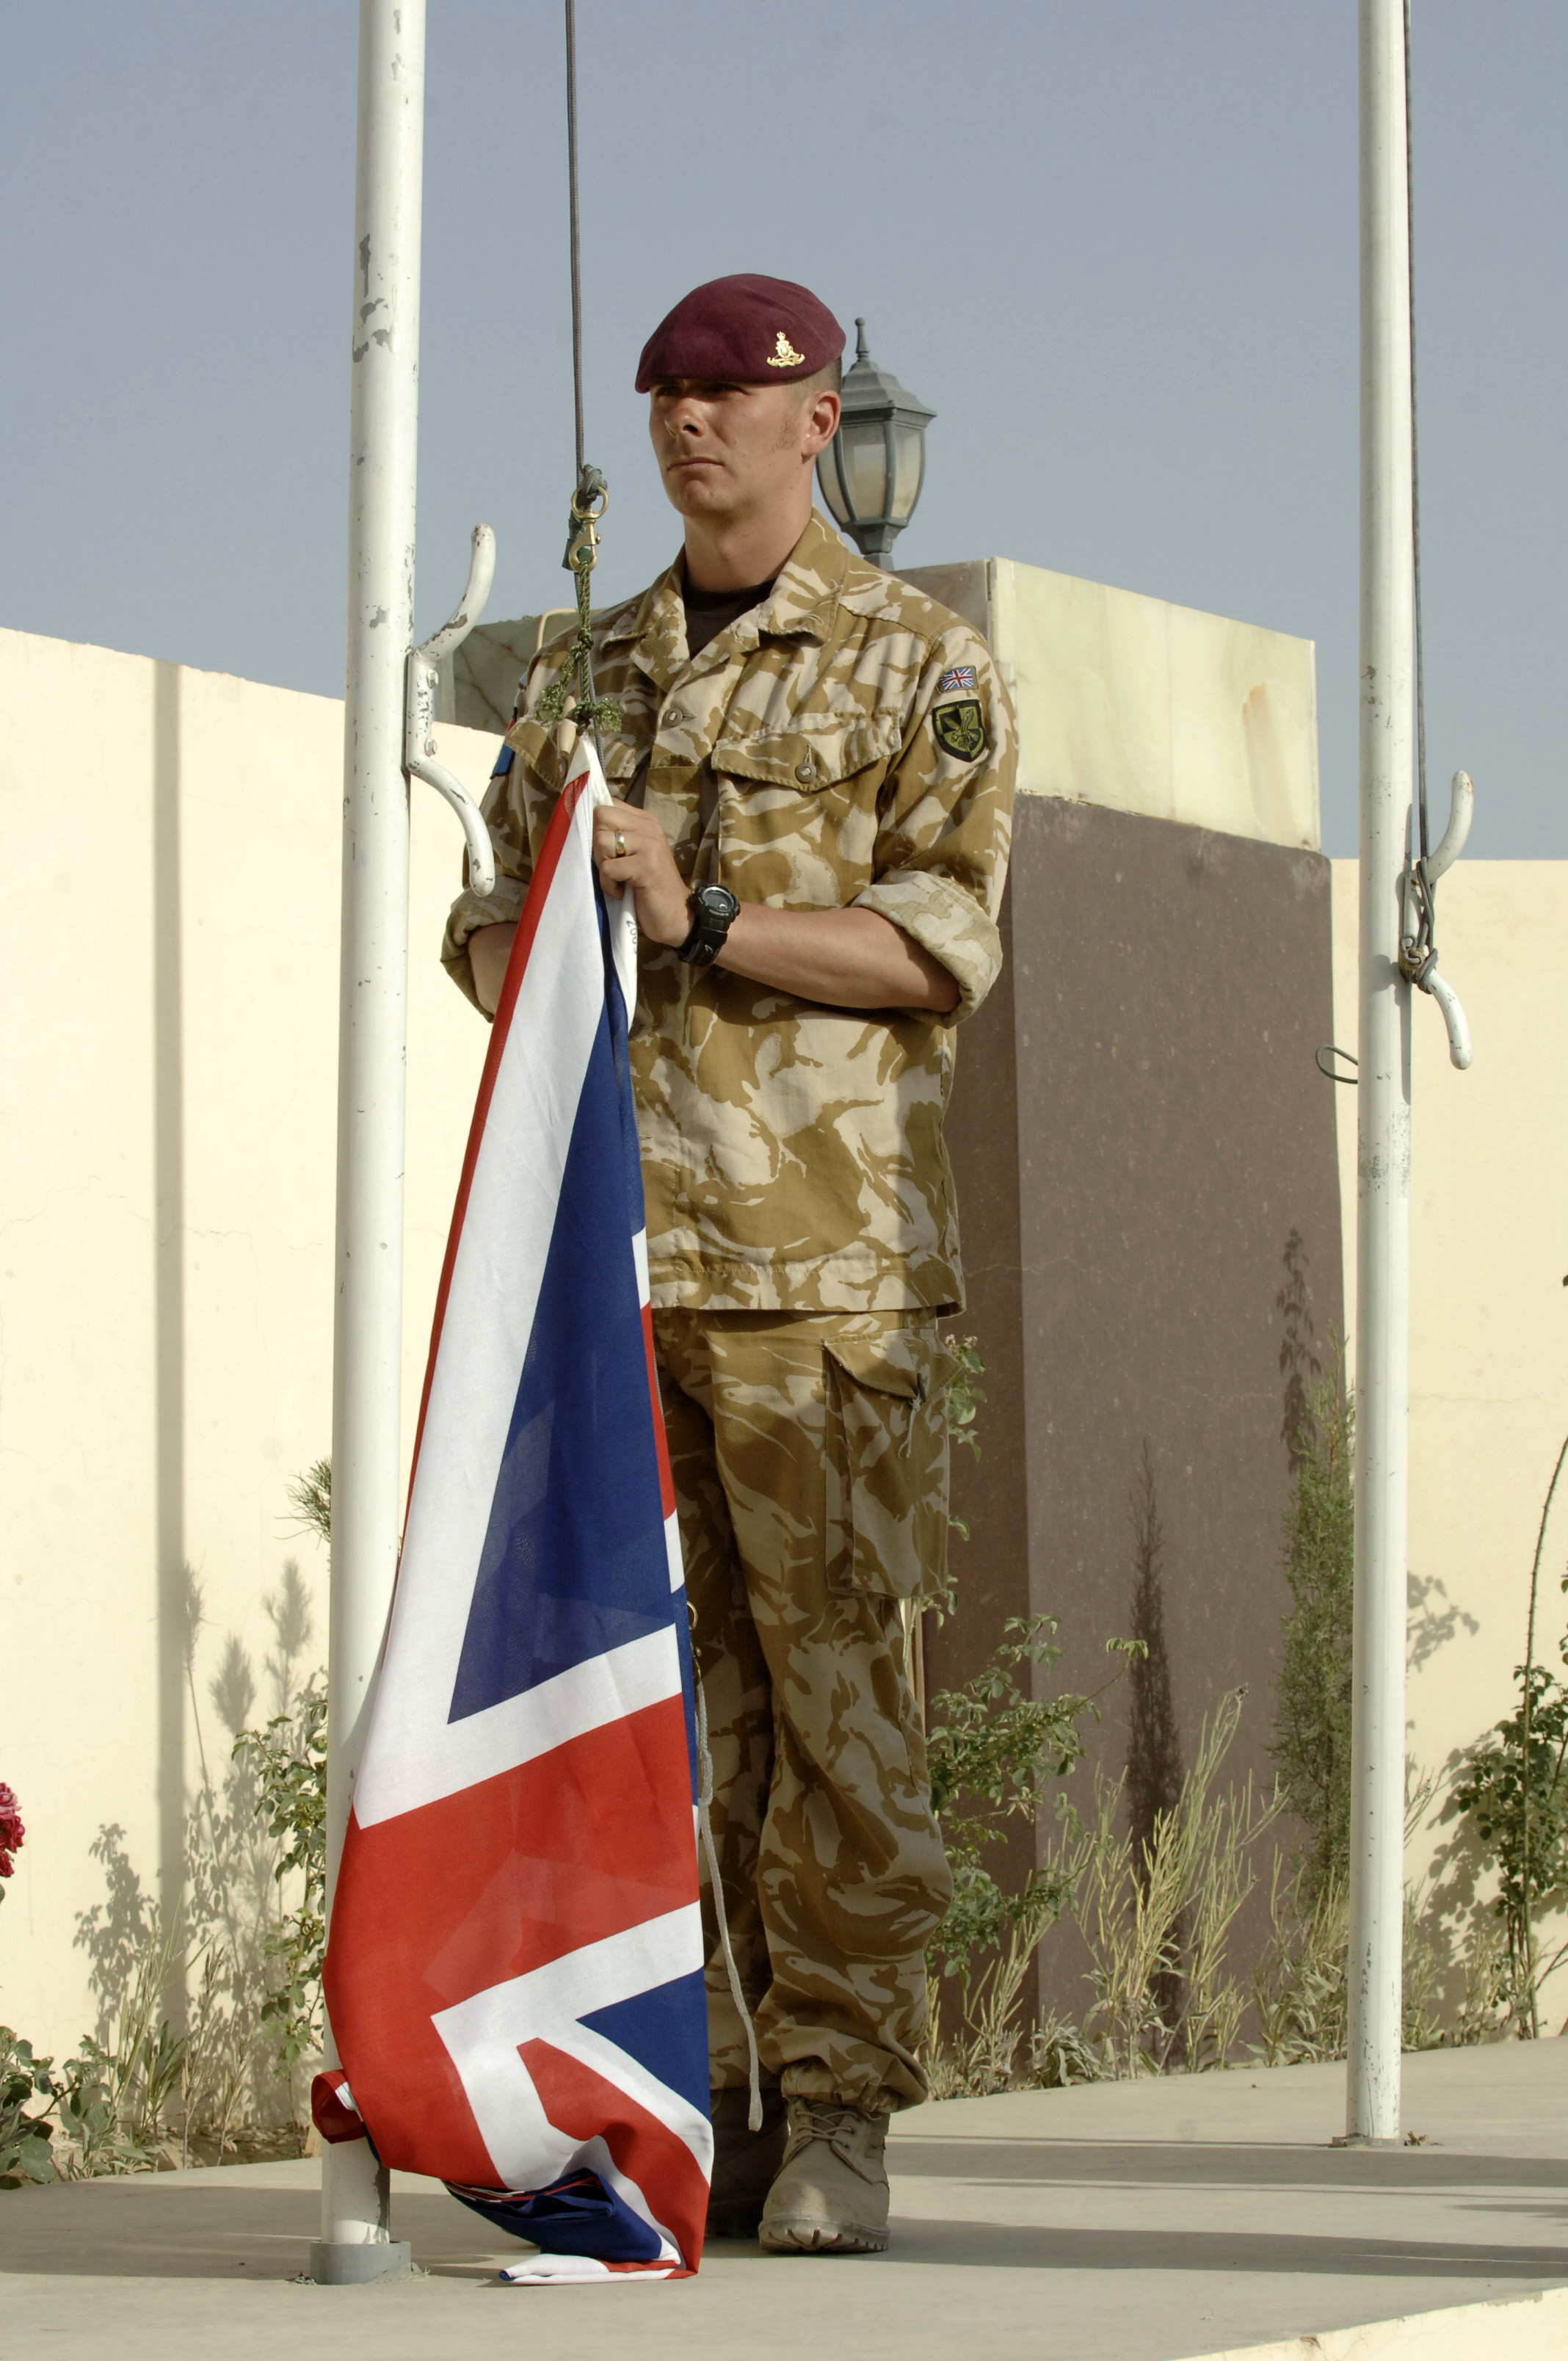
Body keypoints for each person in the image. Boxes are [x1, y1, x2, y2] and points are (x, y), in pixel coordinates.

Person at [442, 273, 1015, 2255]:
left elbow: (935, 948)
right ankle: (723, 2102)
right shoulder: (585, 677)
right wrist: (551, 921)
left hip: (817, 1278)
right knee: (665, 1718)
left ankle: (845, 2107)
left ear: (813, 411)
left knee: (836, 1706)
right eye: (669, 389)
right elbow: (487, 943)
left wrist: (699, 913)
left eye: (734, 389)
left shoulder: (913, 660)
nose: (694, 419)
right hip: (616, 1285)